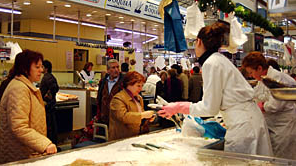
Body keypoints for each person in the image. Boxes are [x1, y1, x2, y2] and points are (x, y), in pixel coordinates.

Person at [158, 22, 273, 156]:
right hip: (249, 121)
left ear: (199, 41)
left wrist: (178, 107)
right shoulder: (219, 59)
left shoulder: (211, 63)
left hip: (243, 126)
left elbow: (210, 108)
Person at [0, 50, 57, 164]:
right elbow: (18, 126)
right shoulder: (19, 89)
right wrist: (44, 144)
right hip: (19, 155)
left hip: (27, 151)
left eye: (41, 66)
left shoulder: (25, 86)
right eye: (37, 67)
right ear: (25, 68)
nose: (41, 70)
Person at [242, 51, 296, 160]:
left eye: (251, 72)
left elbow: (275, 105)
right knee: (273, 157)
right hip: (272, 125)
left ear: (260, 68)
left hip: (283, 128)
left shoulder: (277, 78)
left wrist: (262, 106)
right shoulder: (263, 79)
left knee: (283, 159)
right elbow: (256, 95)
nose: (251, 75)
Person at [109, 71, 154, 141]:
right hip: (121, 140)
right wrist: (143, 115)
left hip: (136, 138)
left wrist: (147, 118)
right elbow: (123, 117)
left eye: (142, 86)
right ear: (128, 84)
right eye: (138, 86)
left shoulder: (139, 98)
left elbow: (139, 118)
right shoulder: (118, 99)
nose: (141, 89)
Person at [96, 59, 123, 126]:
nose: (116, 69)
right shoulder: (103, 82)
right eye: (113, 68)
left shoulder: (123, 82)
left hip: (118, 118)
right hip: (104, 116)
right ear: (108, 70)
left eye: (117, 67)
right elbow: (99, 97)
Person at [39, 60, 59, 146]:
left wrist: (48, 96)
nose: (40, 69)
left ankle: (52, 144)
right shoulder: (49, 76)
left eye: (41, 67)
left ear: (46, 68)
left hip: (49, 106)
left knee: (50, 127)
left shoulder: (47, 77)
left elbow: (55, 88)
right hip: (50, 105)